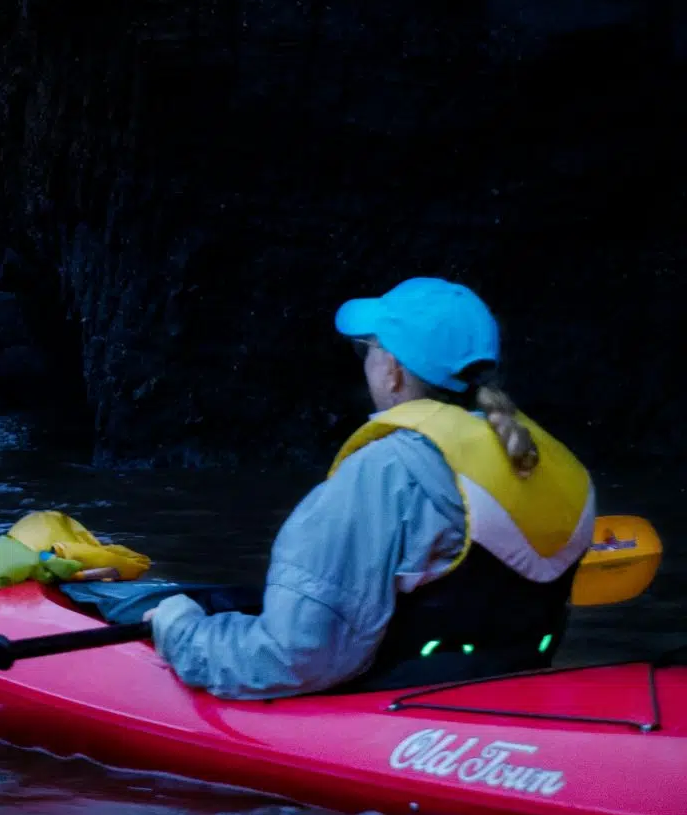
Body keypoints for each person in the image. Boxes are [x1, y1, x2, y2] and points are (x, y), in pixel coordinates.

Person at [151, 277, 596, 699]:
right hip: (512, 687)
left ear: (394, 372)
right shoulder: (546, 459)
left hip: (400, 709)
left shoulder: (387, 471)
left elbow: (295, 658)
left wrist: (181, 630)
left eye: (368, 348)